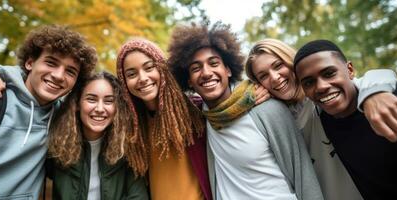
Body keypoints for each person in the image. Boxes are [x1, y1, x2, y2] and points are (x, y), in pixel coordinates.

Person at [168, 22, 322, 200]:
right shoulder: (202, 117)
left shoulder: (266, 108)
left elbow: (303, 175)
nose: (206, 72)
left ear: (228, 70)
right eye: (196, 68)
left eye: (213, 63)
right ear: (188, 81)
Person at [244, 38, 397, 200]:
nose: (274, 77)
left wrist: (374, 92)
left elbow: (369, 78)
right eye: (263, 76)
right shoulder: (272, 119)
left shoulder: (323, 99)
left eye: (278, 66)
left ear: (292, 64)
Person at [0, 25, 97, 199]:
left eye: (70, 71)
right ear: (29, 63)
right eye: (51, 62)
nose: (59, 75)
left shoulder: (64, 119)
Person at [293, 39, 397, 200]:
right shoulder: (317, 123)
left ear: (350, 70)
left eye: (329, 73)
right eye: (309, 82)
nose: (321, 86)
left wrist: (375, 91)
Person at [114, 38, 212, 200]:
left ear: (163, 69)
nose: (142, 78)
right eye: (131, 74)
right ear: (124, 82)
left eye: (149, 68)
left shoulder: (195, 111)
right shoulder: (132, 128)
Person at [46, 71, 148, 199]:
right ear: (77, 103)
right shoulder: (57, 145)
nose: (100, 108)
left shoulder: (128, 149)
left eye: (109, 101)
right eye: (91, 99)